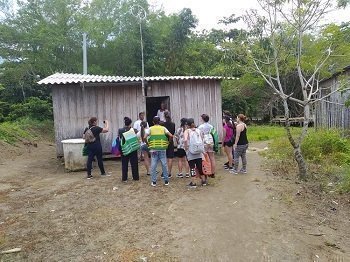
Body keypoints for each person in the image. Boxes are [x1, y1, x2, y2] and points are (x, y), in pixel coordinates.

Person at [145, 116, 173, 186]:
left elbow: (144, 137)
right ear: (159, 121)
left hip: (154, 149)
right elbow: (171, 135)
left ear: (153, 122)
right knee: (164, 164)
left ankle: (154, 181)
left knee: (153, 165)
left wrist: (148, 144)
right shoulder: (163, 128)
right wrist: (168, 143)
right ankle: (166, 181)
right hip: (162, 148)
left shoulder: (150, 128)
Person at [183, 118, 206, 188]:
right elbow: (202, 139)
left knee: (192, 167)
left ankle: (193, 182)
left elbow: (185, 139)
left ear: (187, 125)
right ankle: (203, 181)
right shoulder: (198, 130)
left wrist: (186, 146)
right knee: (199, 167)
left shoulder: (187, 131)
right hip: (199, 151)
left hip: (191, 151)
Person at [118, 117, 139, 182]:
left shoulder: (120, 130)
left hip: (124, 148)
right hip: (132, 148)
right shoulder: (134, 130)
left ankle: (124, 178)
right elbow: (138, 136)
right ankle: (135, 177)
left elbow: (119, 138)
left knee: (124, 163)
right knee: (134, 163)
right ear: (130, 123)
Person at [198, 114, 216, 178]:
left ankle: (206, 172)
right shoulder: (211, 126)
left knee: (204, 157)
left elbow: (200, 135)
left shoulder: (200, 127)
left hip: (204, 141)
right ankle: (213, 172)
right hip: (210, 140)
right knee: (212, 157)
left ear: (202, 119)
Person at [162, 111, 175, 178]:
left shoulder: (163, 124)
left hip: (164, 141)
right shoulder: (173, 124)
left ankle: (164, 172)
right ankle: (169, 173)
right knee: (170, 158)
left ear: (164, 116)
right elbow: (172, 133)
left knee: (164, 157)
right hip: (170, 142)